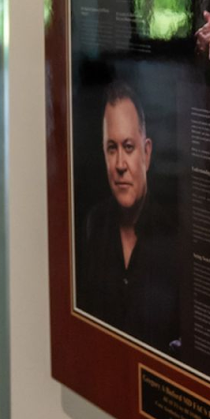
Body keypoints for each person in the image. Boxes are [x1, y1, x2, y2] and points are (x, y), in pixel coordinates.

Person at [75, 82, 178, 350]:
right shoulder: (92, 226)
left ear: (147, 153)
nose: (120, 164)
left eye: (129, 147)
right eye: (112, 148)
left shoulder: (175, 238)